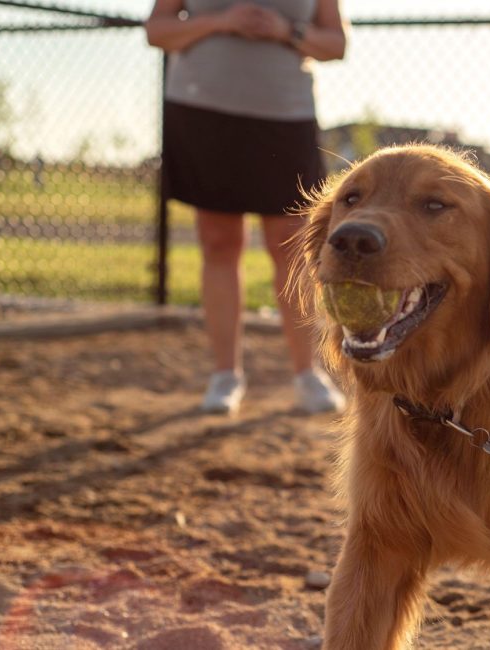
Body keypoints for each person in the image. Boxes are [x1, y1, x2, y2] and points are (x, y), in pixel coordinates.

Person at [145, 0, 347, 415]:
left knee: (290, 246)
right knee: (219, 242)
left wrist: (284, 31)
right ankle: (225, 375)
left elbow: (336, 44)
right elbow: (157, 30)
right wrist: (221, 21)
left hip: (285, 115)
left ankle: (308, 374)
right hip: (203, 110)